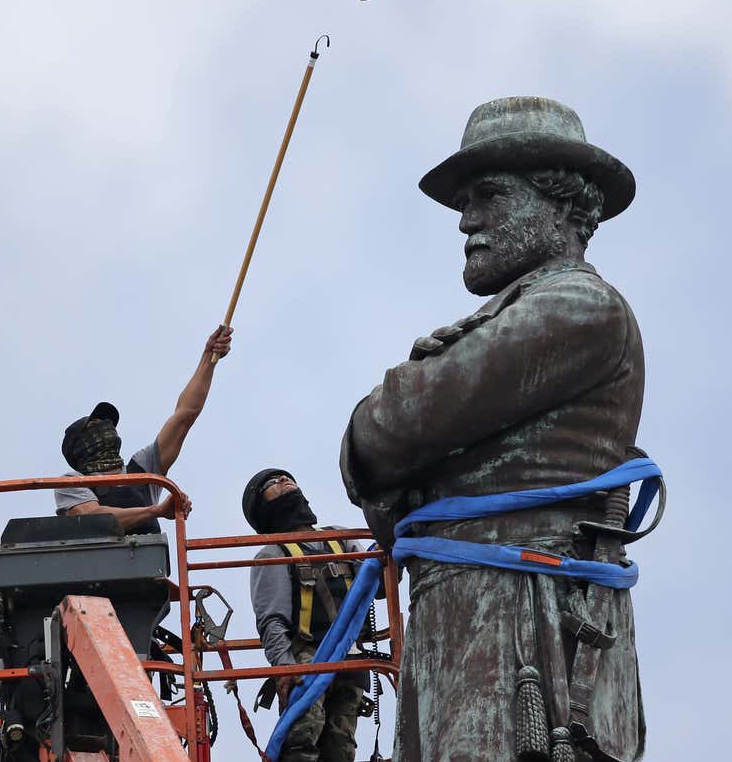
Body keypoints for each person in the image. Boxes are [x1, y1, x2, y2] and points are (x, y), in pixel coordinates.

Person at [339, 97, 650, 761]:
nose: (466, 220)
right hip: (475, 633)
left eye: (489, 196)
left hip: (524, 637)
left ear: (561, 206)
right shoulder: (525, 311)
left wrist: (396, 460)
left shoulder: (576, 306)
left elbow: (394, 424)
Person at [243, 469, 371, 762]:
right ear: (264, 508)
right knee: (302, 739)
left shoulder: (341, 540)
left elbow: (378, 584)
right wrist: (286, 669)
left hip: (350, 656)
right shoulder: (273, 555)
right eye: (272, 484)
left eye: (287, 478)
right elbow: (271, 621)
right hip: (308, 658)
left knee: (342, 747)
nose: (284, 481)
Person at [54, 326, 233, 532]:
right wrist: (156, 511)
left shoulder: (142, 469)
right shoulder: (72, 483)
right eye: (96, 424)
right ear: (80, 446)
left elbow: (184, 415)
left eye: (108, 423)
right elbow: (91, 518)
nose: (107, 427)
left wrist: (208, 358)